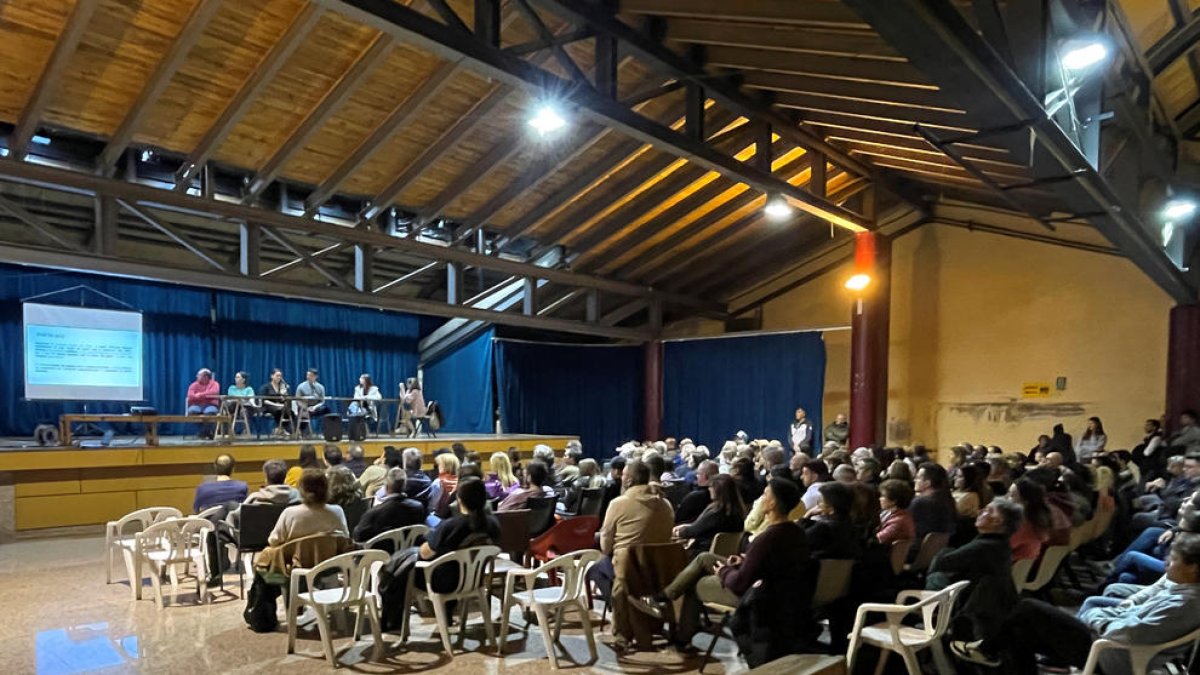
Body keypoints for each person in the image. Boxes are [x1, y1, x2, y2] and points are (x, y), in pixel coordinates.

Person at [951, 535, 1200, 675]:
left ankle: (987, 648)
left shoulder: (1187, 602)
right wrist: (1106, 615)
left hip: (1111, 655)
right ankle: (990, 650)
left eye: (1174, 559)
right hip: (1112, 643)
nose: (1166, 563)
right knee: (1020, 629)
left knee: (1028, 609)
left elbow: (1130, 631)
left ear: (1193, 568)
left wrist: (1095, 616)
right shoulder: (1183, 589)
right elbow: (1131, 614)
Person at [637, 478, 815, 664]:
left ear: (772, 503)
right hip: (776, 591)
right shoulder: (796, 532)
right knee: (704, 558)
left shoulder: (768, 537)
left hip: (753, 594)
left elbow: (739, 583)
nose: (761, 499)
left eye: (765, 495)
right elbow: (775, 563)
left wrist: (724, 571)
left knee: (693, 582)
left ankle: (680, 636)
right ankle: (664, 599)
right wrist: (742, 561)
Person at [594, 459, 674, 651]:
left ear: (628, 481)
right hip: (661, 572)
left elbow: (605, 547)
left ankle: (625, 626)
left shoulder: (618, 504)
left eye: (623, 475)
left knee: (596, 570)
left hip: (629, 571)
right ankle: (642, 619)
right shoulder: (666, 503)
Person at [926, 498, 1023, 640]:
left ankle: (933, 621)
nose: (981, 511)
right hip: (986, 608)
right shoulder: (1001, 545)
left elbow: (940, 564)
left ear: (998, 521)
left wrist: (944, 550)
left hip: (970, 608)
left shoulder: (984, 546)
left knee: (935, 576)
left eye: (989, 510)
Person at [415, 477, 500, 592]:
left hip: (445, 582)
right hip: (477, 579)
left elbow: (425, 554)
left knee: (407, 569)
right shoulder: (494, 523)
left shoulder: (450, 526)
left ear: (459, 500)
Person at [267, 470, 348, 546]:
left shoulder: (289, 513)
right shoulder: (337, 511)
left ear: (301, 489)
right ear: (327, 488)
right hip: (330, 560)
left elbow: (273, 541)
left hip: (297, 560)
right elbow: (345, 538)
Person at [672, 474, 746, 557]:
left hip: (702, 552)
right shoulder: (738, 512)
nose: (709, 489)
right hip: (726, 556)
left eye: (711, 487)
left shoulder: (717, 512)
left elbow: (692, 531)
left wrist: (678, 532)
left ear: (718, 490)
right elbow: (700, 526)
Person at [353, 468, 424, 543]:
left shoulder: (373, 513)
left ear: (386, 487)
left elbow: (357, 536)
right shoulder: (418, 507)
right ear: (404, 486)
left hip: (382, 552)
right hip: (409, 549)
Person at [802, 481, 860, 559]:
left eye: (821, 502)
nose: (818, 505)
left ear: (831, 510)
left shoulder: (824, 529)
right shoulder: (854, 528)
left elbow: (798, 540)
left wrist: (807, 516)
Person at [911, 462, 957, 543]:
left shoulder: (921, 502)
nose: (914, 480)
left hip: (915, 549)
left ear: (928, 483)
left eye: (918, 478)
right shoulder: (947, 499)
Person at [1008, 478, 1052, 561]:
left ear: (1025, 501)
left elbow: (999, 547)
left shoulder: (1022, 525)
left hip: (1011, 568)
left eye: (1012, 495)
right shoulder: (1036, 519)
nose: (1007, 499)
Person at [676, 460, 719, 524]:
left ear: (704, 476)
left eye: (698, 473)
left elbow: (678, 519)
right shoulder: (723, 495)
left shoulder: (694, 497)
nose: (696, 476)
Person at [875, 478, 916, 545]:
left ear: (894, 501)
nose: (879, 499)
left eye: (883, 496)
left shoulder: (899, 521)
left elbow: (879, 539)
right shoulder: (888, 513)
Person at [186, 368, 221, 439]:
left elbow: (214, 393)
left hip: (210, 404)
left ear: (206, 377)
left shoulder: (214, 384)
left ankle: (202, 433)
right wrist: (205, 396)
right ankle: (206, 432)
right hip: (196, 405)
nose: (197, 376)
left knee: (210, 413)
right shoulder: (193, 385)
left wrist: (200, 395)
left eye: (199, 375)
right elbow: (190, 396)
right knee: (192, 412)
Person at [258, 368, 292, 436]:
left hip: (281, 407)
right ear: (272, 376)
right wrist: (276, 405)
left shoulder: (282, 387)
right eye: (277, 375)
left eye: (280, 376)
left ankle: (286, 430)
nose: (279, 377)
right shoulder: (266, 387)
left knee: (289, 411)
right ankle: (279, 429)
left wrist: (284, 396)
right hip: (268, 407)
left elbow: (285, 400)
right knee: (280, 410)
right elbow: (264, 401)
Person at [295, 368, 327, 437]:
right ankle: (303, 434)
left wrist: (315, 407)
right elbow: (297, 400)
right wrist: (306, 408)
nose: (308, 377)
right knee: (302, 413)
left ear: (315, 377)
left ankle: (326, 432)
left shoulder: (321, 387)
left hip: (315, 407)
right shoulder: (301, 387)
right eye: (308, 375)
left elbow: (322, 401)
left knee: (327, 409)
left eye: (311, 375)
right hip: (304, 408)